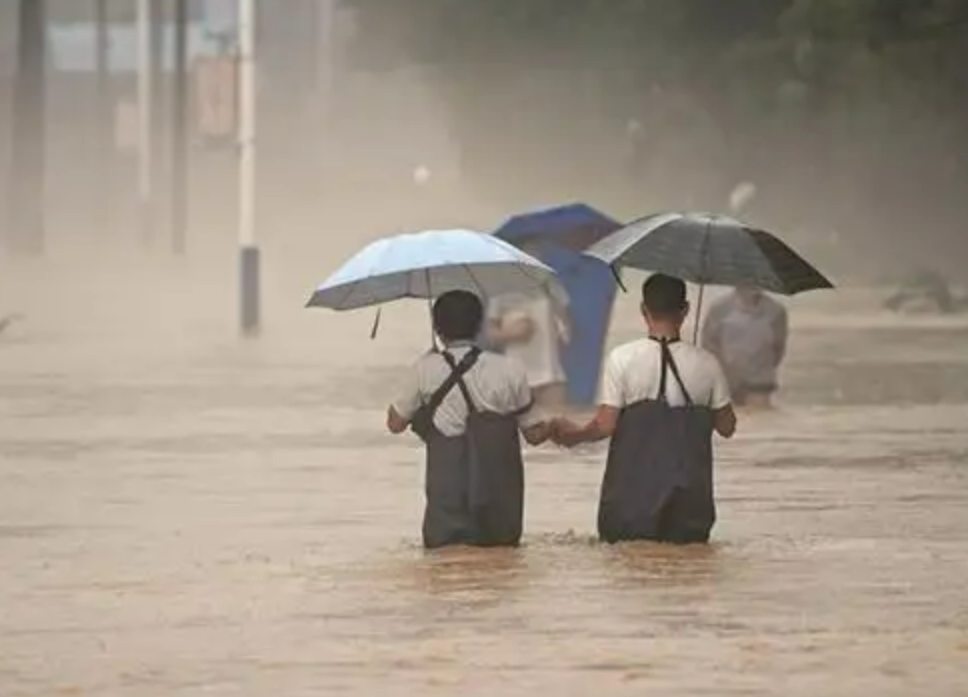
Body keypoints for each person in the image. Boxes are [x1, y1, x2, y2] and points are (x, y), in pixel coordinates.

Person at [552, 274, 736, 545]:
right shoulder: (707, 363)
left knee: (634, 570)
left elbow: (605, 426)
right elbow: (727, 427)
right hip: (690, 505)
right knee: (688, 570)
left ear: (643, 310)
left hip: (630, 503)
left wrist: (572, 436)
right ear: (684, 310)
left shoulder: (622, 358)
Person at [386, 290, 552, 550]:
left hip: (447, 495)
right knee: (500, 564)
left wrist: (425, 364)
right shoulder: (511, 369)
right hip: (498, 497)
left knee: (446, 564)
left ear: (436, 327)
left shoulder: (423, 369)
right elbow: (535, 435)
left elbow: (395, 424)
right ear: (481, 325)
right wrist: (558, 426)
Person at [486, 274, 572, 413]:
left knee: (555, 428)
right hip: (516, 377)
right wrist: (511, 333)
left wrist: (562, 332)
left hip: (550, 374)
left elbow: (566, 326)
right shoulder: (500, 289)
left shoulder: (549, 283)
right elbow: (491, 333)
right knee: (519, 429)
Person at [701, 286, 788, 409]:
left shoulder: (776, 310)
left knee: (762, 422)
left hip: (759, 381)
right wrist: (727, 373)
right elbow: (708, 344)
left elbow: (778, 348)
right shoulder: (719, 307)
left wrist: (760, 368)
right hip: (726, 380)